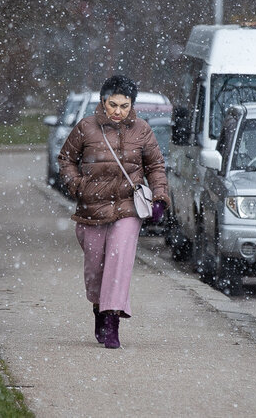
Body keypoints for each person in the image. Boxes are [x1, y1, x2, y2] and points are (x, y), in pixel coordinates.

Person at [58, 74, 169, 349]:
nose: (118, 111)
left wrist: (159, 198)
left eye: (124, 105)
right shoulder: (85, 127)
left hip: (127, 208)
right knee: (95, 268)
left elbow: (156, 166)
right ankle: (99, 307)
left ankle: (112, 320)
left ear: (132, 105)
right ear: (103, 102)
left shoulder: (142, 130)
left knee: (119, 260)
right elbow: (66, 160)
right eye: (113, 104)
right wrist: (77, 185)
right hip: (91, 209)